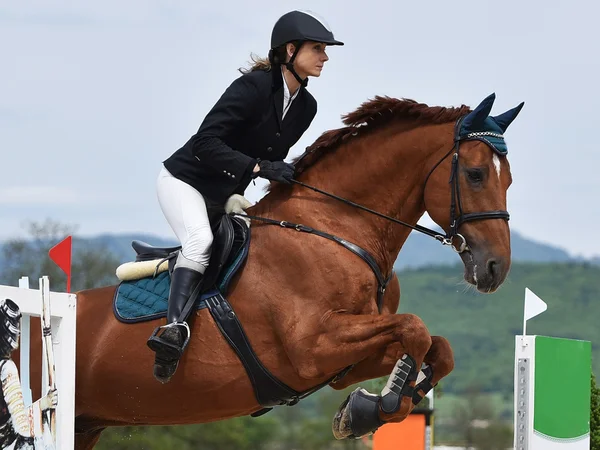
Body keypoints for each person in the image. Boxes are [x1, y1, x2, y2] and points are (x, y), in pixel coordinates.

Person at [146, 10, 344, 384]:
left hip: (226, 196)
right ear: (290, 50)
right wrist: (257, 168)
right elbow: (206, 142)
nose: (325, 56)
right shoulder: (253, 88)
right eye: (317, 48)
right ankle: (172, 330)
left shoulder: (306, 106)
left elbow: (272, 157)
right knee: (200, 240)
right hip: (185, 181)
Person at [0, 298, 58, 450]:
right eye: (16, 327)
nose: (18, 332)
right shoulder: (6, 368)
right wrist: (42, 405)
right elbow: (19, 422)